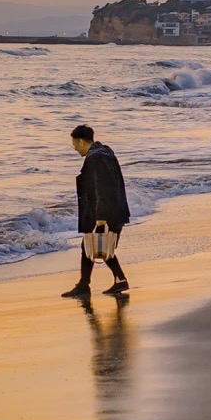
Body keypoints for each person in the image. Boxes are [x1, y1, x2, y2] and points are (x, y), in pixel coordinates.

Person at [61, 124, 131, 299]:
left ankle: (102, 282)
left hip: (107, 213)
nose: (75, 149)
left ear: (82, 141)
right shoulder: (105, 152)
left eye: (75, 144)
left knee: (98, 247)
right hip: (116, 210)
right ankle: (87, 284)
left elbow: (102, 188)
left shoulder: (95, 158)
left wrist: (100, 218)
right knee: (95, 247)